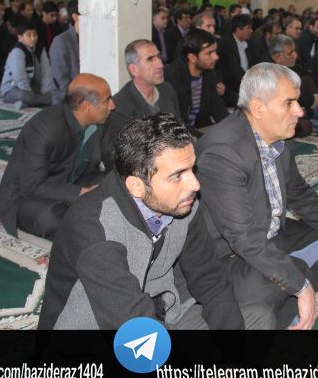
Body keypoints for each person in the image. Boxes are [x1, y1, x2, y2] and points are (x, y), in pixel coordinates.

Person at [195, 62, 318, 330]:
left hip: (270, 236)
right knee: (267, 287)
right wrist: (301, 286)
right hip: (229, 257)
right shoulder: (222, 153)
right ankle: (288, 287)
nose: (300, 110)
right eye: (289, 103)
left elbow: (300, 195)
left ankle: (287, 288)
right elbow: (244, 239)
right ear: (258, 107)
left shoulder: (280, 137)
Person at [39, 113, 270, 330]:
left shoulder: (182, 204)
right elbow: (132, 324)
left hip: (159, 315)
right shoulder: (94, 225)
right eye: (178, 175)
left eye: (192, 169)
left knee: (258, 318)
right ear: (137, 186)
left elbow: (209, 279)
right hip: (105, 329)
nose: (195, 184)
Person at [0, 73, 115, 238]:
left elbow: (112, 157)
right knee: (50, 218)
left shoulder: (99, 122)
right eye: (106, 101)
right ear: (86, 106)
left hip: (76, 180)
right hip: (30, 196)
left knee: (120, 184)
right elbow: (32, 186)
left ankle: (86, 212)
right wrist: (81, 192)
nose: (112, 105)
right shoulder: (43, 129)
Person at [164, 29, 228, 136]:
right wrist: (200, 138)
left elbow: (218, 107)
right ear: (192, 57)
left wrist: (236, 128)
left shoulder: (209, 73)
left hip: (198, 128)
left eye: (215, 51)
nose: (216, 57)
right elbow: (174, 122)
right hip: (177, 135)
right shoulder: (172, 78)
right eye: (209, 53)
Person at [0, 20, 52, 108]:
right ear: (20, 37)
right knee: (25, 96)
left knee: (54, 90)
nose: (33, 38)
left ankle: (37, 100)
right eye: (29, 35)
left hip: (32, 86)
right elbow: (19, 76)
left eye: (35, 35)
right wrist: (29, 94)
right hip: (14, 89)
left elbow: (46, 72)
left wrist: (46, 92)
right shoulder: (17, 51)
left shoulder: (40, 49)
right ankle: (44, 100)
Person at [50, 0, 80, 104]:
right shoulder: (61, 41)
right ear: (75, 16)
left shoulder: (91, 38)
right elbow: (60, 79)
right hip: (68, 100)